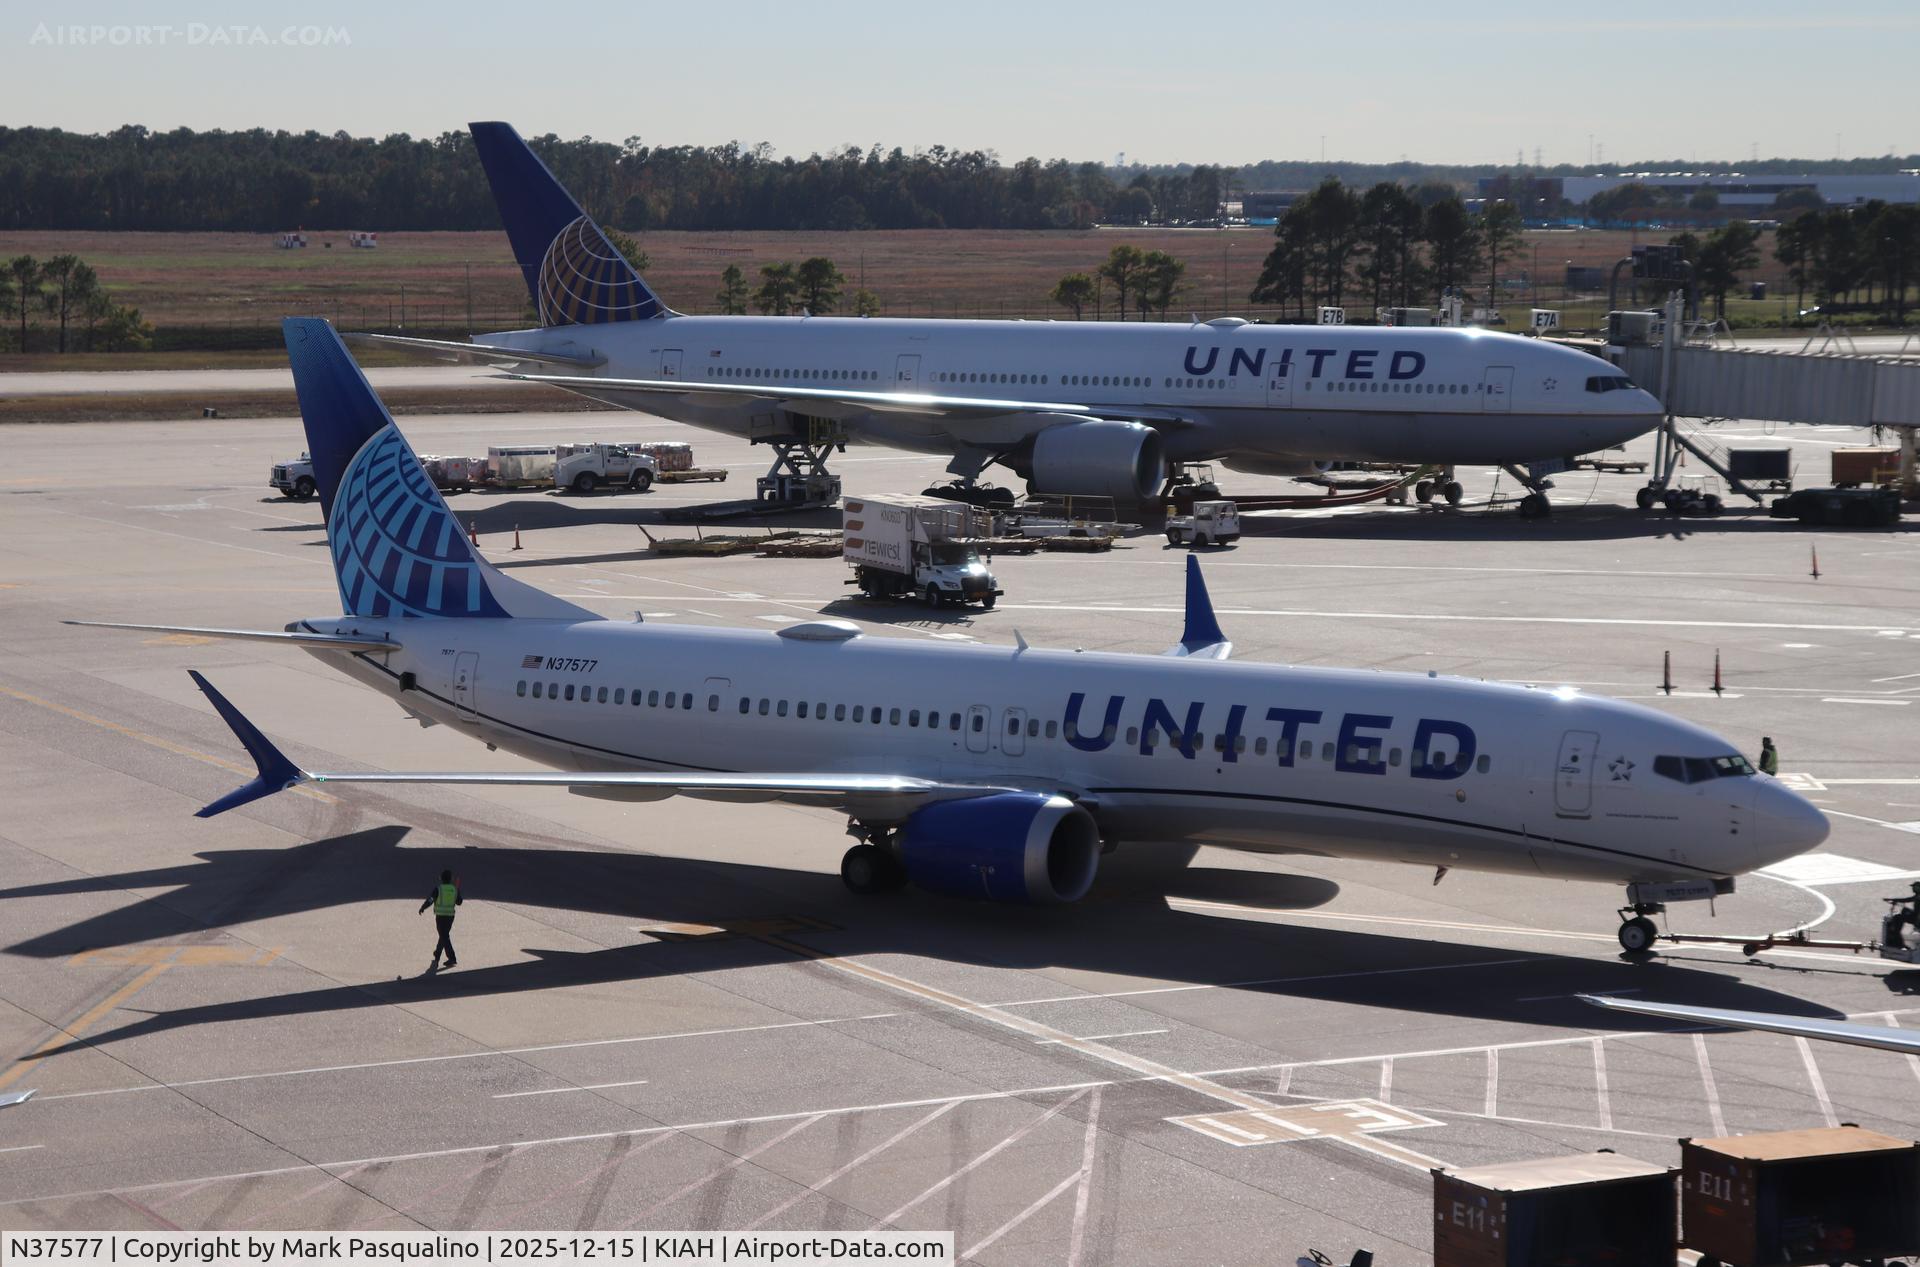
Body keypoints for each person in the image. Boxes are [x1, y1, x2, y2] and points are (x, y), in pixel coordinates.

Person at [418, 869, 462, 969]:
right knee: (444, 935)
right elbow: (459, 902)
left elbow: (430, 900)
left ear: (441, 879)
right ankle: (437, 953)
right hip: (450, 916)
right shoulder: (454, 889)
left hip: (440, 916)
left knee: (444, 935)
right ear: (451, 879)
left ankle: (452, 958)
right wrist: (457, 892)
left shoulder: (438, 889)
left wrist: (423, 907)